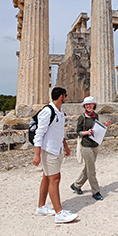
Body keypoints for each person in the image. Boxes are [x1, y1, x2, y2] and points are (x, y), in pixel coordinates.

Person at [33, 87, 78, 223]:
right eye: (65, 95)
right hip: (48, 150)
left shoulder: (60, 112)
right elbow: (39, 133)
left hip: (57, 149)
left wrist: (65, 147)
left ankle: (41, 207)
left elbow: (59, 132)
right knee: (55, 178)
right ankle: (59, 213)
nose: (66, 97)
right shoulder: (48, 111)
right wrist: (37, 154)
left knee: (47, 177)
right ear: (61, 97)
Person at [70, 96, 111, 201]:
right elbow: (78, 132)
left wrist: (105, 126)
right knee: (91, 170)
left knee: (88, 168)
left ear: (94, 105)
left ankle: (76, 185)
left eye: (90, 104)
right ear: (84, 106)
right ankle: (96, 191)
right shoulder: (82, 118)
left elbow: (97, 128)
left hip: (95, 145)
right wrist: (86, 132)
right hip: (86, 146)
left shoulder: (95, 116)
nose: (88, 106)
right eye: (86, 104)